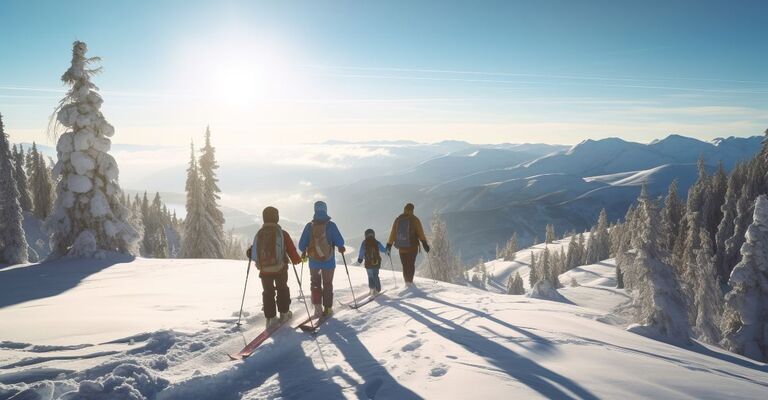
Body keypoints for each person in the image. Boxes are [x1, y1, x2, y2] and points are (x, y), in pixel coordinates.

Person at [246, 206, 302, 329]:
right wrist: (297, 260)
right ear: (276, 218)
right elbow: (291, 250)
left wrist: (249, 253)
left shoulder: (259, 233)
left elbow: (253, 253)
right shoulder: (282, 233)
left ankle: (270, 318)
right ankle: (284, 313)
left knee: (268, 292)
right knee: (282, 289)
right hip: (280, 269)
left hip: (264, 270)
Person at [299, 201, 345, 317]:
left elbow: (301, 245)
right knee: (328, 284)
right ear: (325, 210)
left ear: (315, 210)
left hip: (314, 263)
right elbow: (340, 242)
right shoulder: (331, 225)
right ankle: (328, 308)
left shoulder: (309, 226)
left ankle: (317, 308)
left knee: (315, 284)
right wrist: (339, 247)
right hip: (328, 262)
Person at [386, 203, 430, 287]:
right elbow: (420, 233)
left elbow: (393, 233)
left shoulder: (398, 219)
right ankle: (410, 282)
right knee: (411, 265)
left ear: (404, 209)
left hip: (402, 248)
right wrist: (424, 244)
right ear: (412, 210)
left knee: (405, 266)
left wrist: (389, 245)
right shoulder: (415, 219)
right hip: (412, 248)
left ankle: (406, 282)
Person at [357, 228, 387, 296]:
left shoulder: (364, 242)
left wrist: (360, 259)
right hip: (376, 263)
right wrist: (387, 250)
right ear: (373, 234)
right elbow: (383, 250)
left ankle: (372, 290)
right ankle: (377, 289)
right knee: (375, 275)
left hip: (368, 263)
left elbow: (361, 251)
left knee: (370, 276)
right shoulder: (376, 242)